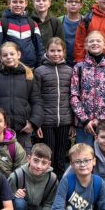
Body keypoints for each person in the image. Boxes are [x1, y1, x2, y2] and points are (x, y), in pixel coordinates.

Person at [0, 41, 42, 151]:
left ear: (18, 54)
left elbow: (37, 101)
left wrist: (33, 122)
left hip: (22, 130)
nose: (9, 57)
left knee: (23, 159)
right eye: (5, 55)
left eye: (12, 54)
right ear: (0, 58)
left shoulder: (29, 77)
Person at [70, 30, 105, 146]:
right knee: (84, 154)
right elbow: (74, 96)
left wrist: (100, 120)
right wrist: (85, 120)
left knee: (103, 154)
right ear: (86, 45)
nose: (95, 43)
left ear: (104, 44)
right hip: (84, 124)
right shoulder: (79, 67)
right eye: (91, 41)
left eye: (98, 41)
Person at [34, 37, 74, 176]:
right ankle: (47, 181)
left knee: (61, 156)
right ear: (46, 51)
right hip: (46, 122)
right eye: (52, 51)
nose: (56, 54)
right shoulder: (39, 71)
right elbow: (36, 97)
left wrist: (72, 123)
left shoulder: (69, 71)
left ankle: (60, 183)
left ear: (64, 52)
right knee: (48, 155)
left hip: (64, 121)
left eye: (59, 51)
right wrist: (37, 123)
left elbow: (72, 97)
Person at [61, 119, 105, 191]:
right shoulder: (87, 153)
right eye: (103, 137)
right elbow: (66, 178)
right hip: (93, 191)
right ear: (96, 137)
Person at [0, 0, 43, 69]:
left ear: (26, 3)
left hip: (30, 69)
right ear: (9, 3)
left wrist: (40, 67)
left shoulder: (32, 24)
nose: (18, 5)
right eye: (15, 2)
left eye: (21, 2)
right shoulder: (1, 23)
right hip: (8, 69)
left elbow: (39, 48)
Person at [59, 0, 85, 65]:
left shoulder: (86, 21)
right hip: (62, 62)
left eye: (76, 2)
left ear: (81, 5)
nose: (73, 4)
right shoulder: (59, 21)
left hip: (82, 62)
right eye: (70, 1)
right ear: (65, 4)